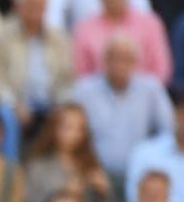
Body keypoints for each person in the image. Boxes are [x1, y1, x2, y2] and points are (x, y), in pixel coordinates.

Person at [73, 36, 175, 186]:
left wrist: (152, 163)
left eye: (126, 59)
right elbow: (72, 133)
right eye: (113, 58)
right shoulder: (84, 91)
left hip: (141, 175)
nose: (119, 64)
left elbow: (168, 131)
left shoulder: (151, 89)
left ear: (135, 63)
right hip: (95, 175)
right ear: (104, 61)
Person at [0, 0, 75, 129]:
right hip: (16, 107)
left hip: (50, 106)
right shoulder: (1, 36)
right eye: (31, 3)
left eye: (41, 4)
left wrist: (60, 105)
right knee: (5, 115)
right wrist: (15, 105)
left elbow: (67, 80)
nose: (37, 9)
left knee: (71, 117)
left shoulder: (59, 39)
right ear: (18, 5)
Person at [22, 101, 115, 202]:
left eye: (79, 129)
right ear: (54, 129)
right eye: (67, 127)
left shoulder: (91, 164)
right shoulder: (38, 166)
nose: (73, 134)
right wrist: (63, 194)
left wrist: (103, 192)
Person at [75, 0, 173, 85]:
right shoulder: (85, 29)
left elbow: (162, 70)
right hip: (99, 99)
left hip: (144, 97)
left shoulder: (150, 23)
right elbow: (82, 75)